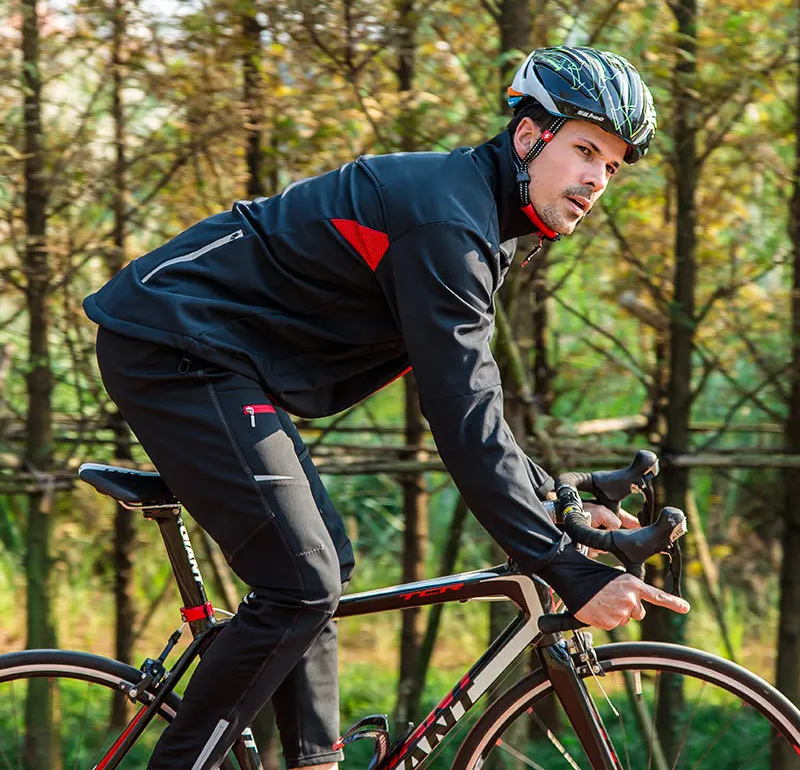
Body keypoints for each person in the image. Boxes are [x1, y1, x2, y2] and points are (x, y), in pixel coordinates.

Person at [83, 45, 689, 770]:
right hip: (174, 343)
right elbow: (460, 413)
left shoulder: (481, 219)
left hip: (229, 358)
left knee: (320, 573)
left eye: (612, 167)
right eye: (585, 150)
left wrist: (556, 501)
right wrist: (571, 571)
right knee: (302, 581)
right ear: (529, 135)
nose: (596, 179)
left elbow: (475, 400)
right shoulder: (448, 224)